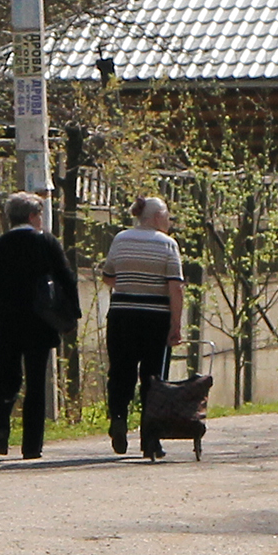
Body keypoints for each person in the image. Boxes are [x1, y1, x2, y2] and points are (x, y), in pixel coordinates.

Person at [0, 190, 79, 459]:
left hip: (4, 323)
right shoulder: (47, 242)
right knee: (35, 384)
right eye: (39, 214)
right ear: (32, 216)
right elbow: (66, 278)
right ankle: (31, 446)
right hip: (39, 323)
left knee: (7, 378)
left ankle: (1, 427)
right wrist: (71, 316)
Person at [101, 194, 187, 460]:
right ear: (157, 216)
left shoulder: (120, 239)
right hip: (155, 319)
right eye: (167, 214)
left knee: (120, 372)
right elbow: (176, 287)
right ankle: (150, 438)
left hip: (122, 317)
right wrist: (176, 324)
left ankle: (118, 417)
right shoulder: (168, 245)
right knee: (153, 378)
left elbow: (108, 276)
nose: (170, 219)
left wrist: (130, 287)